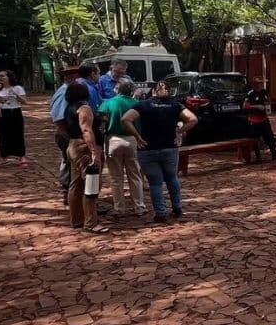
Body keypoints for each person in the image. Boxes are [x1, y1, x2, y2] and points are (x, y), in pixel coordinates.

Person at [122, 81, 197, 223]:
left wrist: (137, 136)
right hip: (169, 147)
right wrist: (179, 131)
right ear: (168, 91)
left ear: (153, 91)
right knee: (172, 178)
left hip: (147, 148)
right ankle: (177, 207)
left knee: (155, 183)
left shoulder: (143, 104)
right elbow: (193, 119)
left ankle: (160, 212)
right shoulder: (175, 105)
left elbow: (125, 119)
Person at [63, 82, 109, 234]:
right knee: (91, 183)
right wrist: (94, 151)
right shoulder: (84, 108)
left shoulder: (68, 107)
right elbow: (86, 130)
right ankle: (91, 222)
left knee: (75, 184)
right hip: (84, 148)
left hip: (73, 145)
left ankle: (76, 219)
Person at [99, 78, 147, 217]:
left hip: (113, 140)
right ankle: (139, 206)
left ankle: (119, 208)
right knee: (135, 175)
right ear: (131, 90)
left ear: (117, 89)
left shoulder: (108, 103)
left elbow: (101, 121)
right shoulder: (137, 104)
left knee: (116, 177)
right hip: (132, 139)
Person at [0, 69, 28, 165]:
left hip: (14, 111)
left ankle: (21, 156)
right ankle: (3, 156)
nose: (0, 78)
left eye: (3, 76)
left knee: (17, 134)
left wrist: (15, 94)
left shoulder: (17, 88)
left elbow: (24, 101)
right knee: (2, 135)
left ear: (9, 77)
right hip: (1, 112)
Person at [50, 69, 73, 204]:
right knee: (68, 163)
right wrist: (68, 133)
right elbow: (58, 117)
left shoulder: (69, 91)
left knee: (68, 163)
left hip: (67, 132)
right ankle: (67, 192)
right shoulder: (64, 92)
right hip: (66, 133)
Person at [244, 76, 276, 161]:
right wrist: (257, 106)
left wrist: (268, 104)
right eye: (259, 83)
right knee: (255, 139)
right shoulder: (250, 93)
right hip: (254, 120)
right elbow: (245, 106)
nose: (261, 85)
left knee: (270, 137)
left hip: (264, 118)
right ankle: (258, 157)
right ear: (255, 84)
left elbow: (267, 101)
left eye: (261, 83)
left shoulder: (264, 92)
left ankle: (274, 155)